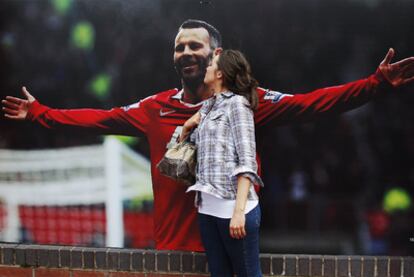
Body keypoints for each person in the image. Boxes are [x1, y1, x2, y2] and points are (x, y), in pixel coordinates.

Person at [2, 19, 414, 251]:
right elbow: (99, 119)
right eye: (179, 47)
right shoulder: (154, 108)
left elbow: (312, 102)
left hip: (231, 249)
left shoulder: (248, 102)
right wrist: (40, 113)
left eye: (194, 46)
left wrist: (374, 84)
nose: (185, 53)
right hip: (171, 255)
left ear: (215, 54)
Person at [180, 49, 263, 276]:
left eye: (211, 64)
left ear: (220, 74)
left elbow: (247, 162)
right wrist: (187, 127)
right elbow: (182, 153)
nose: (206, 67)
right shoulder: (206, 108)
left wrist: (239, 212)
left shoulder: (237, 105)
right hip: (207, 210)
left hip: (233, 209)